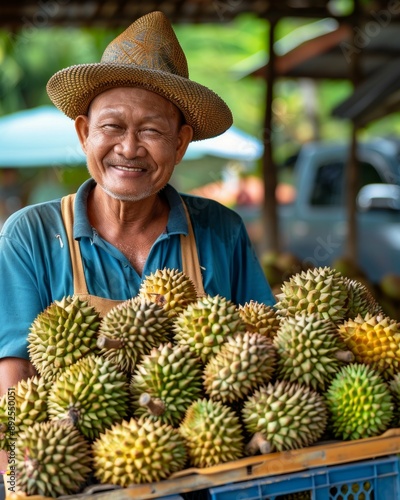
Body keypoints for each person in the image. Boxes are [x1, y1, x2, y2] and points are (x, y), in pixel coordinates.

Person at [0, 11, 275, 421]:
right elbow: (13, 375)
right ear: (83, 134)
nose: (129, 149)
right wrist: (14, 476)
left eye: (151, 131)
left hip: (206, 470)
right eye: (112, 126)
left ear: (180, 143)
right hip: (73, 476)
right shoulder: (31, 236)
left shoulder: (221, 231)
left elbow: (264, 345)